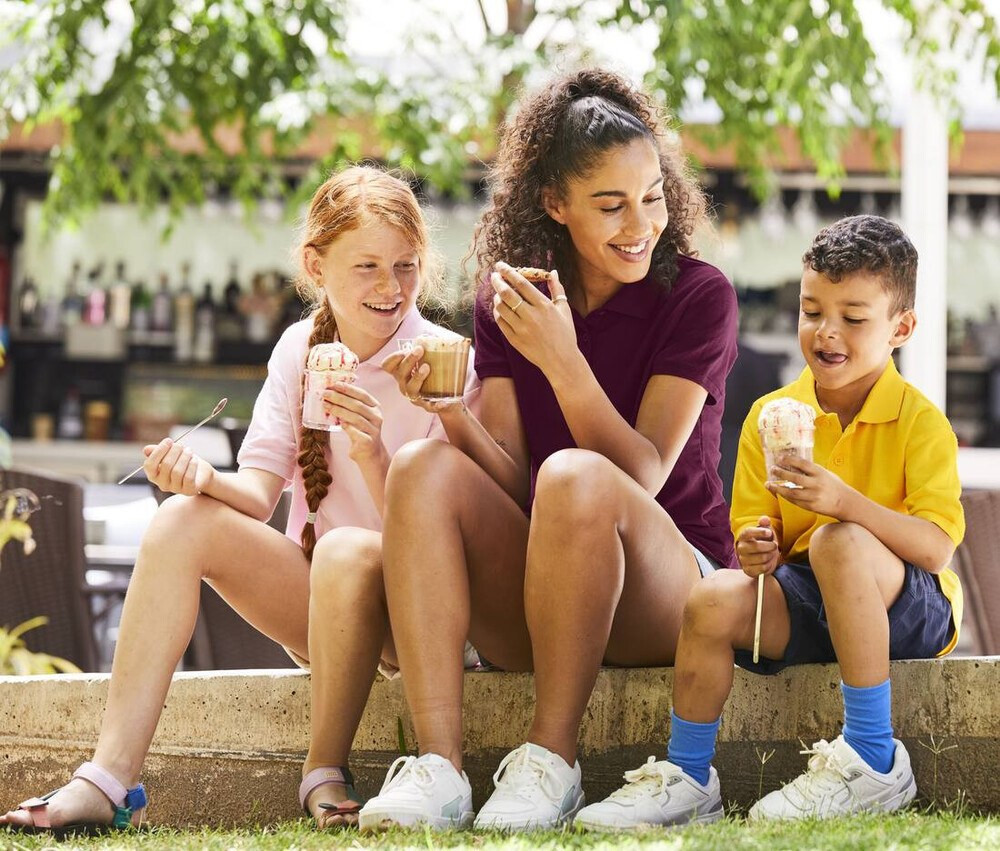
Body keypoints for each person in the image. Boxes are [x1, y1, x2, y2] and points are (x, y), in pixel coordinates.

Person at [0, 165, 476, 832]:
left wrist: (371, 455)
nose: (390, 286)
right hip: (324, 607)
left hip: (422, 622)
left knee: (344, 548)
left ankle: (323, 768)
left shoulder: (447, 361)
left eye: (404, 264)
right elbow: (256, 493)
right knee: (178, 523)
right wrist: (201, 479)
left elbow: (440, 540)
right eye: (366, 264)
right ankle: (105, 779)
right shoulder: (296, 350)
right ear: (315, 264)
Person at [356, 68, 738, 832]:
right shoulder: (512, 300)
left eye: (653, 196)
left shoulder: (699, 295)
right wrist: (449, 417)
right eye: (611, 204)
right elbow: (515, 482)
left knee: (576, 475)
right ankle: (438, 765)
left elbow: (643, 472)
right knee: (423, 463)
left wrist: (563, 362)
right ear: (553, 204)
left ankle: (550, 759)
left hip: (674, 587)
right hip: (554, 581)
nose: (641, 223)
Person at [575, 214, 965, 829]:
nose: (827, 332)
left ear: (901, 328)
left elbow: (936, 550)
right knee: (711, 598)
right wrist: (759, 549)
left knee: (839, 541)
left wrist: (846, 504)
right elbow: (759, 540)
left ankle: (873, 758)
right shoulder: (773, 415)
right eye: (812, 312)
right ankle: (688, 777)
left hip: (910, 606)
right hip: (813, 595)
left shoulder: (919, 420)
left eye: (853, 318)